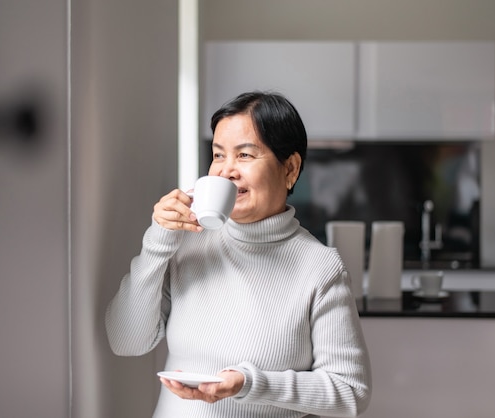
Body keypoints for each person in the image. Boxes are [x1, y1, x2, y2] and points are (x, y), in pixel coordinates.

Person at [105, 91, 372, 417]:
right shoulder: (187, 243)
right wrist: (158, 240)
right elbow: (125, 341)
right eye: (218, 156)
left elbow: (350, 391)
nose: (227, 171)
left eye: (244, 155)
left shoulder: (320, 267)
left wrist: (250, 384)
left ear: (290, 168)